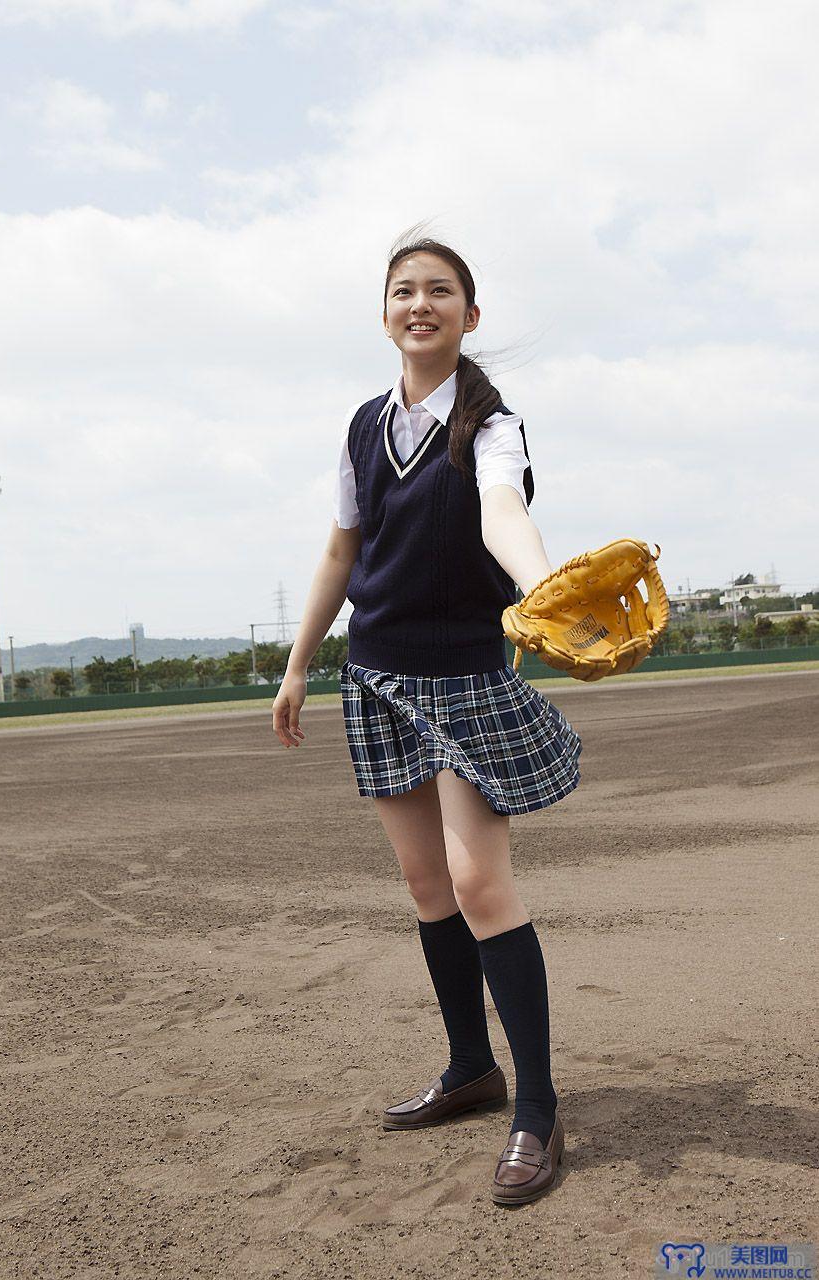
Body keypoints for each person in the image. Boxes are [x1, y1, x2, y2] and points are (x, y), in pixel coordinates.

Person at [272, 228, 582, 1206]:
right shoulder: (363, 424)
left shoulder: (492, 425)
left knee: (477, 879)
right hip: (374, 673)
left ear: (467, 314)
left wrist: (546, 587)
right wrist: (296, 664)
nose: (420, 303)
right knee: (423, 880)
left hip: (462, 676)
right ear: (384, 314)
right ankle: (469, 1067)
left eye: (439, 291)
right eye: (404, 290)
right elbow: (338, 553)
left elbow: (502, 514)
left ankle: (534, 1106)